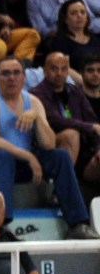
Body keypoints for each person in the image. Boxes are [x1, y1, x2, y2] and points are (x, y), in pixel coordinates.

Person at [0, 56, 99, 239]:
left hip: (15, 162)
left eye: (16, 73)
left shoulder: (32, 102)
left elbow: (48, 144)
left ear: (23, 77)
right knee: (3, 157)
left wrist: (38, 118)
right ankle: (2, 226)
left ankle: (77, 224)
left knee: (60, 157)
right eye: (5, 73)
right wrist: (29, 157)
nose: (12, 78)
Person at [30, 51, 100, 182]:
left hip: (83, 151)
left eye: (63, 69)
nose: (59, 73)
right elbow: (55, 120)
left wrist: (98, 149)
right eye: (54, 69)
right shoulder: (36, 94)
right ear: (44, 71)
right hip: (51, 145)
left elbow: (93, 121)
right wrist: (90, 127)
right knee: (71, 135)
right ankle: (61, 187)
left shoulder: (75, 91)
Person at [43, 0, 100, 74]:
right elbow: (66, 69)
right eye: (73, 13)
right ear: (65, 19)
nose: (79, 15)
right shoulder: (61, 42)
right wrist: (83, 80)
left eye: (83, 12)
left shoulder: (96, 39)